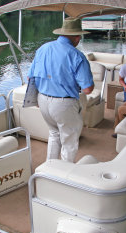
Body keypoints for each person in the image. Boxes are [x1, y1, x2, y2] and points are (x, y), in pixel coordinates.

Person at [27, 18, 94, 162]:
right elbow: (88, 89)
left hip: (43, 100)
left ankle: (50, 168)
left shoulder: (42, 49)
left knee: (54, 134)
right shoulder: (77, 56)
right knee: (69, 142)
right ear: (77, 37)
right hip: (64, 104)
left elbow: (30, 78)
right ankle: (63, 177)